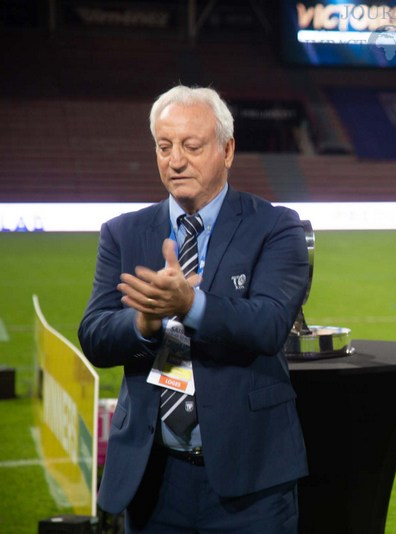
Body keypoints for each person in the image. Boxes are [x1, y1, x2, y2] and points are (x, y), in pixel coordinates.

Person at [79, 85, 309, 533]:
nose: (176, 160)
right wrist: (143, 321)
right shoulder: (123, 233)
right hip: (153, 479)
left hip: (252, 480)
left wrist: (191, 304)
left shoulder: (275, 226)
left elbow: (269, 325)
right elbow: (94, 335)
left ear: (227, 150)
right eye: (164, 147)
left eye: (191, 146)